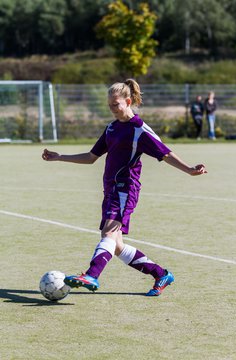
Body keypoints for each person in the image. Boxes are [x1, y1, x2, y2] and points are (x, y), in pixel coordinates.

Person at [42, 79, 207, 297]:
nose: (113, 109)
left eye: (116, 104)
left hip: (125, 189)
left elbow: (165, 153)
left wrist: (189, 169)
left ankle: (92, 274)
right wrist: (59, 157)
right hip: (110, 190)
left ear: (128, 101)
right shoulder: (111, 128)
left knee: (108, 233)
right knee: (117, 245)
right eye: (110, 105)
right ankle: (161, 274)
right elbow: (91, 157)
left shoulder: (139, 129)